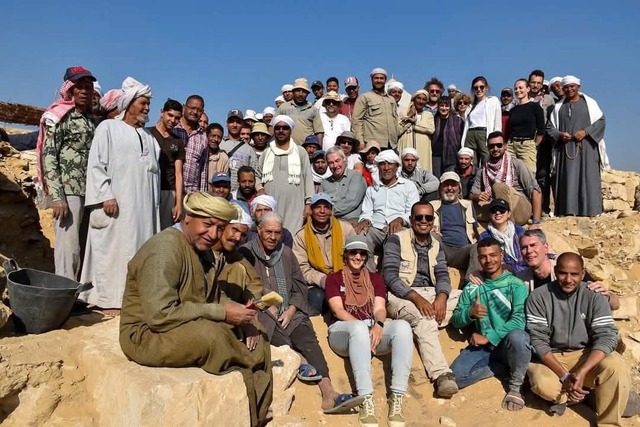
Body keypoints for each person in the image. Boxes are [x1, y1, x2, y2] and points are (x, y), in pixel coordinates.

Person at [119, 193, 272, 427]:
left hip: (180, 321)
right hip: (146, 335)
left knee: (257, 331)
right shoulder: (164, 249)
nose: (213, 235)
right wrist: (222, 314)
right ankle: (245, 397)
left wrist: (241, 316)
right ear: (188, 217)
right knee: (212, 337)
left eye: (220, 228)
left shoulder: (202, 249)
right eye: (208, 225)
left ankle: (258, 413)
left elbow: (210, 294)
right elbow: (160, 315)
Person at [240, 212, 362, 415]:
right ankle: (300, 362)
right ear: (258, 230)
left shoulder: (287, 254)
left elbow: (299, 287)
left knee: (309, 341)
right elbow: (243, 288)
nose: (273, 237)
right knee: (276, 335)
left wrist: (291, 309)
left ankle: (329, 393)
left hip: (289, 311)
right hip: (261, 313)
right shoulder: (245, 254)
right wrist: (264, 305)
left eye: (277, 233)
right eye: (268, 232)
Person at [526, 252, 640, 424]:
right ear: (555, 271)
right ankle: (571, 398)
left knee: (616, 365)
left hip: (585, 355)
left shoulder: (594, 296)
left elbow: (607, 337)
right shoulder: (539, 297)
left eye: (574, 274)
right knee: (541, 382)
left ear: (583, 272)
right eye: (563, 273)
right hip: (553, 357)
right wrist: (565, 376)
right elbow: (538, 342)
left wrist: (582, 372)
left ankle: (608, 422)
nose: (568, 279)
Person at [81, 77, 160, 314]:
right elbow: (96, 164)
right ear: (129, 103)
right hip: (116, 206)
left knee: (139, 251)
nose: (147, 108)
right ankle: (108, 299)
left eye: (148, 104)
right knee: (113, 252)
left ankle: (133, 300)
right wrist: (106, 194)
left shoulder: (148, 137)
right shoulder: (108, 128)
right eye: (143, 103)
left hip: (143, 210)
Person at [326, 235, 413, 427]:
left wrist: (378, 325)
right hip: (343, 332)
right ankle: (365, 398)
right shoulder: (333, 278)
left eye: (362, 253)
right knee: (357, 327)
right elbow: (338, 310)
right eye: (353, 252)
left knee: (403, 327)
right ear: (346, 255)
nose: (357, 257)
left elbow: (380, 309)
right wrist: (365, 328)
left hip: (369, 330)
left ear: (366, 257)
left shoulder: (375, 279)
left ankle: (397, 397)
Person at [383, 201, 461, 398]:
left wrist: (442, 297)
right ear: (411, 220)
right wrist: (416, 298)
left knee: (471, 296)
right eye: (419, 217)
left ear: (433, 221)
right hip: (402, 295)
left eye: (428, 218)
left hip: (432, 292)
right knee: (424, 318)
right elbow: (390, 276)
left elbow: (442, 274)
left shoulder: (436, 243)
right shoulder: (395, 240)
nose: (423, 221)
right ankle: (441, 375)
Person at [450, 237, 530, 412]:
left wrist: (489, 337)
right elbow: (456, 320)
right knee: (455, 377)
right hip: (484, 348)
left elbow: (519, 320)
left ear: (501, 255)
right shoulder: (472, 287)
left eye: (493, 255)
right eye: (484, 257)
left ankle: (516, 388)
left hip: (506, 342)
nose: (489, 260)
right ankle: (502, 367)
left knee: (519, 336)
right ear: (479, 259)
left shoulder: (516, 285)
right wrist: (469, 313)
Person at [39, 66, 97, 281]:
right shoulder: (59, 117)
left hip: (88, 191)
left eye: (88, 88)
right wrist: (57, 197)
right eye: (79, 87)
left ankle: (76, 294)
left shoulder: (91, 120)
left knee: (82, 245)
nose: (84, 91)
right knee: (68, 248)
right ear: (70, 90)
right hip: (67, 191)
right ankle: (64, 292)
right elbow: (49, 156)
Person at [517, 229, 620, 310]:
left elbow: (615, 304)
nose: (529, 251)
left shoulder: (567, 270)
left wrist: (608, 297)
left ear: (546, 247)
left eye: (533, 245)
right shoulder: (521, 280)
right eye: (524, 247)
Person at [548, 76, 607, 217]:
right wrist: (560, 134)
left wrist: (586, 132)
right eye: (566, 87)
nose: (569, 89)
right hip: (565, 150)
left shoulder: (590, 103)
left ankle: (591, 211)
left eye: (572, 86)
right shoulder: (558, 107)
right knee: (567, 179)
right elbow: (550, 128)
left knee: (588, 179)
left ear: (578, 87)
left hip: (587, 149)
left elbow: (601, 122)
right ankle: (567, 212)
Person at [292, 193, 356, 315]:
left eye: (326, 207)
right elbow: (302, 268)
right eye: (317, 207)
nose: (322, 211)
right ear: (311, 210)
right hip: (318, 283)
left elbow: (357, 256)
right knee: (317, 296)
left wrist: (344, 278)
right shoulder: (301, 236)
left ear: (331, 211)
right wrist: (323, 280)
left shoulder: (346, 229)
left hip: (346, 278)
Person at [355, 150, 420, 269]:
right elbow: (367, 211)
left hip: (399, 229)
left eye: (390, 164)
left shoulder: (408, 186)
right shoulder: (372, 189)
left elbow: (414, 212)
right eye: (383, 164)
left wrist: (401, 219)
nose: (386, 168)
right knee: (361, 238)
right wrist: (365, 220)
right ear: (378, 167)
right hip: (376, 228)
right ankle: (369, 278)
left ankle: (389, 278)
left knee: (394, 239)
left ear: (397, 167)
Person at [255, 115, 314, 233]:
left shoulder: (300, 152)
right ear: (274, 130)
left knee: (292, 236)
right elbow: (257, 175)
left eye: (285, 128)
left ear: (290, 130)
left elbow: (308, 177)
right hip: (271, 206)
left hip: (295, 207)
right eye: (278, 128)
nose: (281, 131)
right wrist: (260, 189)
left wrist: (309, 203)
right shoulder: (266, 153)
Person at [470, 131, 542, 226]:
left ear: (505, 146)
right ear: (487, 148)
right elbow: (472, 194)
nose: (495, 149)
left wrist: (536, 222)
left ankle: (507, 227)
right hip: (495, 207)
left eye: (499, 145)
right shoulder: (483, 169)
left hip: (520, 208)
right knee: (468, 207)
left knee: (498, 187)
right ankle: (499, 221)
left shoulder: (516, 164)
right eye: (492, 146)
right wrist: (477, 196)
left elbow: (536, 191)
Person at [430, 172, 481, 279]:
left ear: (459, 188)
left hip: (462, 251)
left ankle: (470, 284)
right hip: (442, 250)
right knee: (432, 236)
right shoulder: (431, 205)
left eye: (453, 185)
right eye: (446, 185)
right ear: (440, 188)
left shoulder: (468, 205)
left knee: (477, 247)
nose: (449, 188)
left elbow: (476, 231)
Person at [149, 99, 185, 230]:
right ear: (161, 112)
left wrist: (178, 203)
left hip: (169, 192)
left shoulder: (178, 141)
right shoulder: (147, 134)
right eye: (170, 115)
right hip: (149, 189)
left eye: (177, 118)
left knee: (164, 231)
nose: (172, 120)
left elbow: (179, 173)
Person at [352, 68, 400, 150]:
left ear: (385, 80)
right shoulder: (364, 97)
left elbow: (395, 121)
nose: (379, 81)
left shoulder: (391, 99)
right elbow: (356, 120)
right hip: (372, 145)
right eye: (376, 78)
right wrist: (360, 141)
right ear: (371, 80)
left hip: (391, 144)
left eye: (381, 78)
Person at [506, 79, 545, 174]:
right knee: (510, 175)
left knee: (528, 176)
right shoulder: (513, 110)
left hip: (527, 145)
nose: (517, 90)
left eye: (520, 88)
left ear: (528, 89)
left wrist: (534, 145)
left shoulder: (535, 107)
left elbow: (541, 130)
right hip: (511, 146)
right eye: (515, 88)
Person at [479, 199, 527, 274]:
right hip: (503, 275)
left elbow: (531, 250)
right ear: (489, 214)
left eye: (502, 210)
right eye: (494, 210)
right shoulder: (484, 236)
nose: (498, 213)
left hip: (525, 271)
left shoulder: (520, 231)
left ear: (509, 214)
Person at [461, 76, 502, 164]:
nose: (479, 90)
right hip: (470, 134)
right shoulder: (471, 106)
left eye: (481, 87)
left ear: (486, 88)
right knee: (470, 161)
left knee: (487, 159)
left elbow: (497, 122)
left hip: (484, 133)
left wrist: (497, 138)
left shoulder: (493, 101)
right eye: (476, 88)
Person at [321, 147, 367, 223]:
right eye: (331, 163)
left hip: (350, 221)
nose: (335, 165)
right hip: (328, 221)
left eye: (337, 161)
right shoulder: (325, 183)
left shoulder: (355, 176)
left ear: (344, 160)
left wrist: (328, 212)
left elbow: (352, 202)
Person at [173, 95, 208, 194]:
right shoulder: (173, 128)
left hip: (191, 193)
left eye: (199, 110)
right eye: (192, 108)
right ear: (184, 107)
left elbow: (203, 170)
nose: (195, 112)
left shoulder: (203, 137)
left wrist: (201, 195)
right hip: (170, 189)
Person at [277, 78, 324, 145]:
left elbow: (319, 131)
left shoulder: (313, 109)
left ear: (307, 93)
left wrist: (319, 148)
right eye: (298, 91)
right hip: (286, 147)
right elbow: (273, 126)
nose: (300, 94)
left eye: (304, 91)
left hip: (306, 149)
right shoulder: (283, 107)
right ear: (293, 92)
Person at [397, 90, 435, 171]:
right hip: (406, 145)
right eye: (419, 98)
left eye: (424, 99)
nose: (421, 101)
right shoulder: (403, 112)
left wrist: (415, 122)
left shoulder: (428, 115)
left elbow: (430, 129)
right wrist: (409, 116)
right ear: (414, 99)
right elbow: (398, 130)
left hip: (423, 149)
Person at [221, 109, 258, 192]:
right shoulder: (219, 144)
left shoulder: (249, 150)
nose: (234, 125)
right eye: (231, 122)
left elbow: (254, 174)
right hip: (220, 192)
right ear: (226, 124)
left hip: (239, 195)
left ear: (242, 124)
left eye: (238, 122)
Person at [432, 96, 464, 177]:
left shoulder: (458, 121)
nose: (444, 108)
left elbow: (461, 138)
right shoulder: (434, 119)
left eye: (446, 106)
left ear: (450, 107)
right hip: (436, 154)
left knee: (449, 178)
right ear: (438, 107)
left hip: (451, 155)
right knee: (437, 179)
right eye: (441, 105)